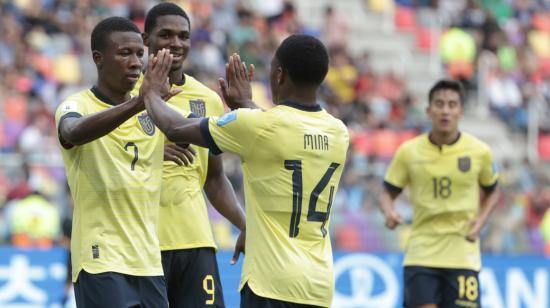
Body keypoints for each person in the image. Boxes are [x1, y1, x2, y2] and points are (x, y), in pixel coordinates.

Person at [140, 34, 349, 307]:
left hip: (271, 284)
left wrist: (150, 93)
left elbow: (175, 127)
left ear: (279, 75)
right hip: (318, 284)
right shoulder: (339, 132)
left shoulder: (258, 126)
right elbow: (284, 133)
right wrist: (247, 106)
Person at [54, 17, 178, 307]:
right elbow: (72, 132)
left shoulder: (152, 109)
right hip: (101, 258)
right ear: (98, 59)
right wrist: (139, 102)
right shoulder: (76, 105)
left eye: (139, 54)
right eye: (125, 53)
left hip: (148, 261)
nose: (136, 62)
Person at [134, 3, 246, 307]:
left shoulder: (207, 99)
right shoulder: (125, 98)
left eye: (183, 36)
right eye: (166, 35)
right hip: (140, 247)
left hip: (196, 244)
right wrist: (152, 155)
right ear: (146, 40)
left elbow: (214, 178)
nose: (176, 43)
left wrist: (245, 223)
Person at [380, 79, 500, 308]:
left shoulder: (480, 152)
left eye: (452, 104)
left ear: (461, 111)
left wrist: (481, 221)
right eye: (440, 104)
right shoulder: (409, 151)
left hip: (463, 252)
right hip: (422, 252)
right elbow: (387, 192)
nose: (445, 110)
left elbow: (493, 191)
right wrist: (389, 211)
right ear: (428, 110)